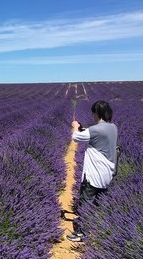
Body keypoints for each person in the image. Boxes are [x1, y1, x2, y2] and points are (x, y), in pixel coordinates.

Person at [67, 100, 118, 242]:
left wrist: (76, 127)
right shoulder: (113, 127)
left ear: (97, 113)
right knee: (99, 202)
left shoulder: (96, 130)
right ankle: (98, 229)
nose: (92, 115)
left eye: (93, 113)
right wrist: (84, 129)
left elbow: (75, 137)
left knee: (85, 202)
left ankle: (81, 233)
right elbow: (95, 134)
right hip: (107, 173)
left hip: (93, 174)